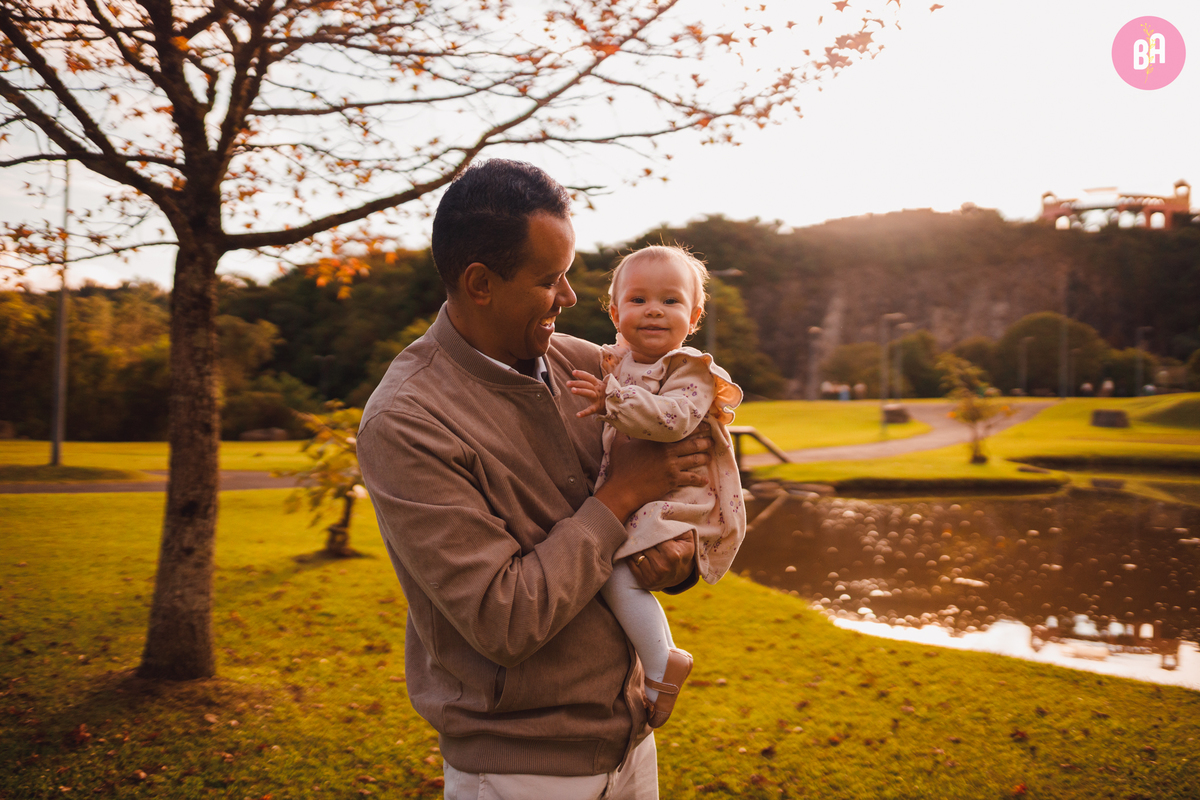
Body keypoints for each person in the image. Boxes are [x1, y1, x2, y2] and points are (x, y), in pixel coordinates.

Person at [356, 158, 713, 800]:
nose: (570, 297)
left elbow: (682, 481)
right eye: (550, 279)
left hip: (632, 742)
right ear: (480, 283)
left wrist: (678, 557)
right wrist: (622, 494)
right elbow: (502, 620)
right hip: (519, 769)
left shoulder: (589, 365)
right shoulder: (407, 420)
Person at [566, 246, 747, 728]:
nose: (653, 310)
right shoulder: (612, 361)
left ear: (694, 316)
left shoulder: (690, 368)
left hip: (679, 499)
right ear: (614, 313)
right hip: (641, 494)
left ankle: (660, 663)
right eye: (638, 299)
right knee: (615, 567)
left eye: (670, 301)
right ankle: (661, 660)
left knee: (615, 571)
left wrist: (612, 398)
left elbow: (674, 420)